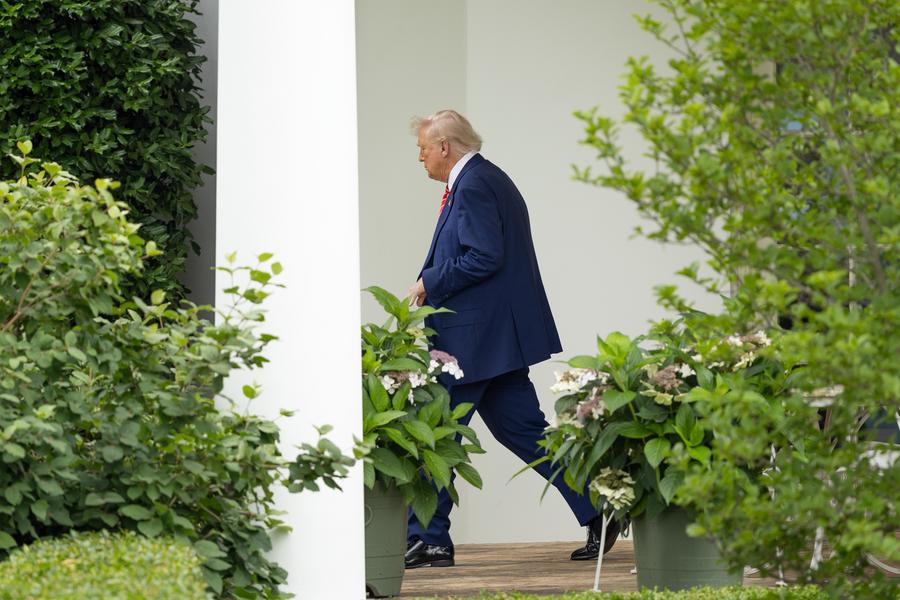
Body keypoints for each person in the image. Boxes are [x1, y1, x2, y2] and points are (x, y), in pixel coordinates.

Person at [404, 109, 619, 569]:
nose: (419, 158)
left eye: (423, 149)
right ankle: (599, 506)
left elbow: (484, 256)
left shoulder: (475, 185)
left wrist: (429, 281)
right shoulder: (485, 179)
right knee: (525, 432)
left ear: (444, 147)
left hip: (472, 344)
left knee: (436, 433)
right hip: (492, 342)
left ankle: (429, 538)